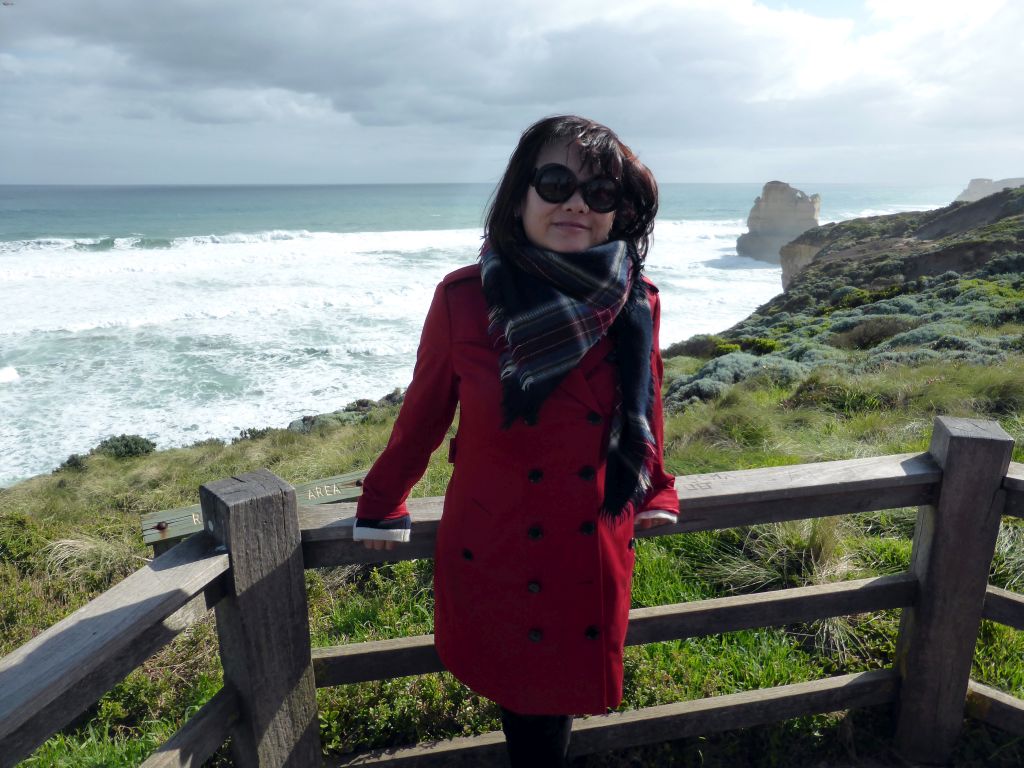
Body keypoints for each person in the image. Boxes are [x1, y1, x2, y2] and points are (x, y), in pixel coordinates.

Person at [352, 115, 678, 767]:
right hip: (499, 541)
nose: (577, 203)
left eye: (600, 193)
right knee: (528, 705)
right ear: (519, 195)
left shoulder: (636, 300)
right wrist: (382, 500)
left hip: (588, 539)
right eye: (555, 182)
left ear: (617, 213)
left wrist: (657, 487)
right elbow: (423, 414)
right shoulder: (464, 299)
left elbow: (645, 404)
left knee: (549, 703)